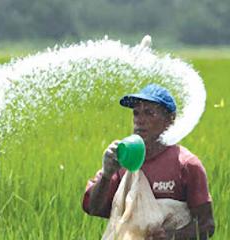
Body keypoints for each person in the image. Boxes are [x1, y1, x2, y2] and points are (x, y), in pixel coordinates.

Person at [82, 84, 215, 239]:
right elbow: (93, 208)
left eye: (149, 113)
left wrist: (170, 236)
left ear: (170, 120)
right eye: (136, 113)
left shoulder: (186, 165)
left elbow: (206, 225)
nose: (139, 120)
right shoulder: (123, 160)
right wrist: (106, 174)